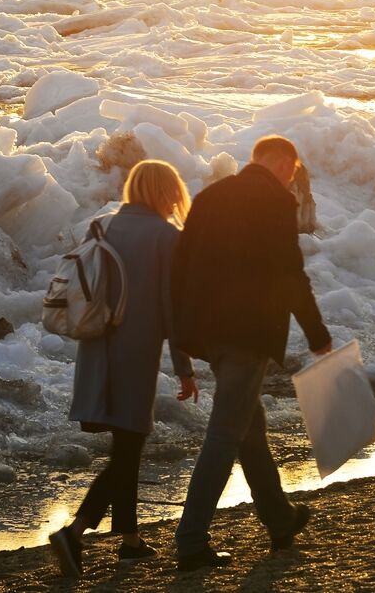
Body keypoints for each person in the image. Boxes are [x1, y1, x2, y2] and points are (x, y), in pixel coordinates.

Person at [171, 135, 333, 572]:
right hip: (248, 332)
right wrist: (317, 333)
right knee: (226, 433)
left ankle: (280, 521)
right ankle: (190, 541)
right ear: (281, 163)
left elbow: (180, 266)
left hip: (210, 332)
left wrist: (182, 330)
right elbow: (289, 272)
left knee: (248, 428)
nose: (291, 178)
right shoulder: (275, 200)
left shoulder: (210, 196)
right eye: (292, 170)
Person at [49, 160, 199, 578]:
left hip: (97, 348)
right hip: (134, 356)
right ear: (163, 192)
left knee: (125, 446)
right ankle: (74, 533)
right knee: (128, 449)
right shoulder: (166, 237)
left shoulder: (102, 224)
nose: (175, 198)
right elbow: (173, 309)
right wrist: (184, 367)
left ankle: (130, 541)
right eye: (172, 191)